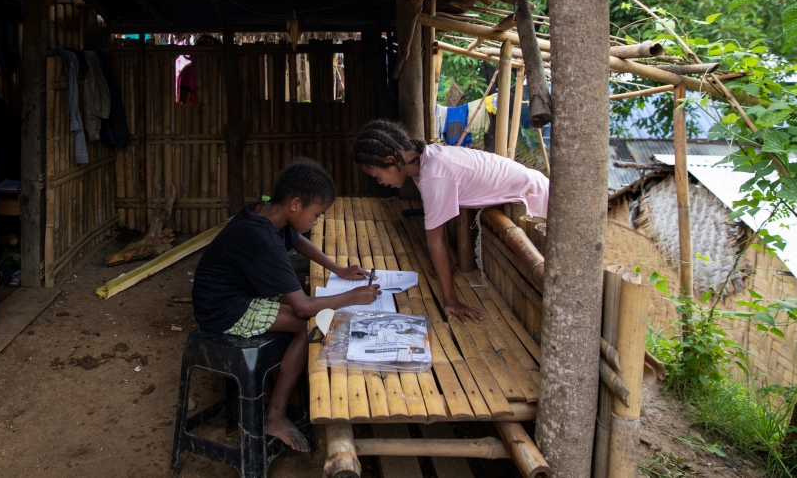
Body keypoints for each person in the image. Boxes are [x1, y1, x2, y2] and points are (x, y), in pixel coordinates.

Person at [191, 158, 380, 452]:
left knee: (309, 303)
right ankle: (276, 416)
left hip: (230, 291)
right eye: (316, 215)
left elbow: (297, 240)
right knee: (310, 325)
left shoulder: (266, 209)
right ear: (294, 204)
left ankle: (286, 392)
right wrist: (353, 297)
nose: (316, 222)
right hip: (224, 310)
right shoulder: (262, 237)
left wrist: (337, 270)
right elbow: (304, 308)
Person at [352, 119, 550, 325]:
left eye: (377, 175)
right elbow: (440, 221)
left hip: (535, 199)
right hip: (531, 187)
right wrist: (444, 269)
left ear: (392, 160)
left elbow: (435, 240)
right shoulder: (427, 159)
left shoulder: (433, 176)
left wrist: (451, 301)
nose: (380, 182)